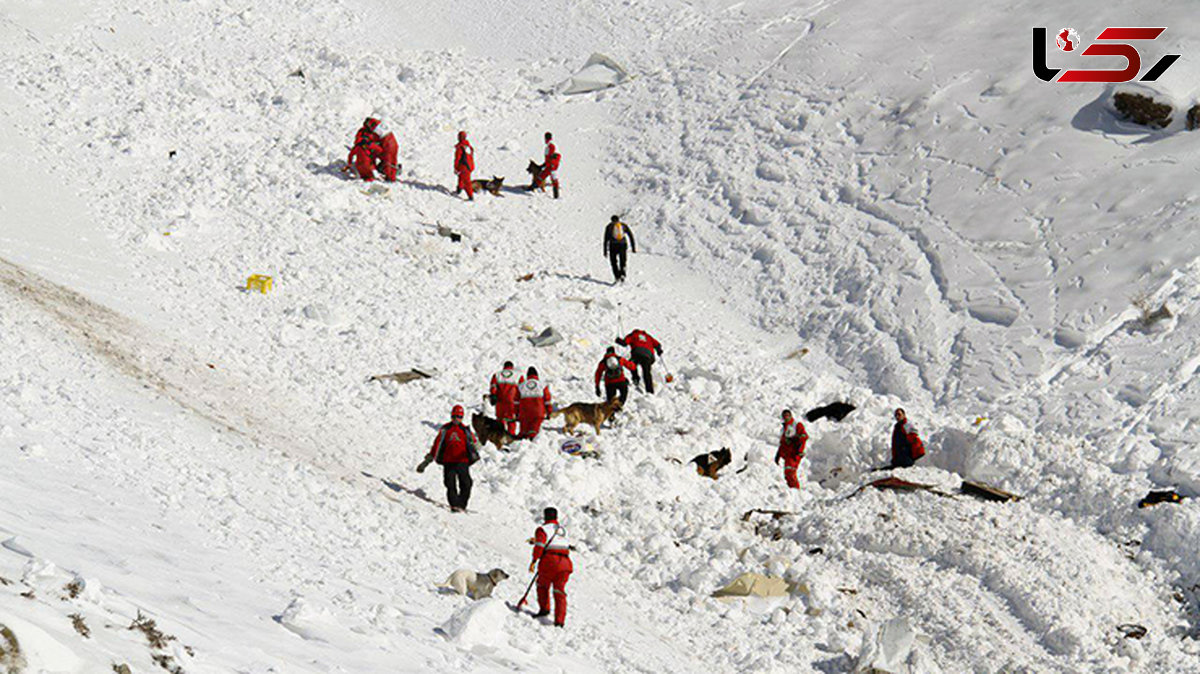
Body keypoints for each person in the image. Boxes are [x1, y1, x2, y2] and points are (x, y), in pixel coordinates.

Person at [417, 405, 480, 512]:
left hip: (462, 461)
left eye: (459, 416)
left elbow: (474, 443)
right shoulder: (446, 429)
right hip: (448, 461)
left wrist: (475, 450)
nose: (456, 419)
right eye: (455, 416)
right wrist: (428, 460)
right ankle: (454, 505)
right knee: (450, 483)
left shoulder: (465, 430)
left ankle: (462, 504)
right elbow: (437, 444)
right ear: (451, 416)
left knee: (466, 483)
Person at [529, 506, 572, 627]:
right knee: (559, 592)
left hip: (550, 562)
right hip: (565, 563)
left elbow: (539, 547)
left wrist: (534, 560)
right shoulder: (563, 530)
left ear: (545, 516)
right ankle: (560, 621)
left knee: (542, 586)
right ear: (556, 517)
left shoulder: (542, 529)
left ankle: (544, 609)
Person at [345, 117, 399, 182]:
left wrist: (349, 165)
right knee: (388, 159)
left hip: (363, 168)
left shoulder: (360, 142)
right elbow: (379, 151)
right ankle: (387, 174)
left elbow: (351, 155)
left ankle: (382, 170)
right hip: (370, 165)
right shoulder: (370, 142)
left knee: (385, 159)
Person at [616, 328, 662, 393]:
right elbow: (657, 344)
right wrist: (659, 350)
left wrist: (618, 340)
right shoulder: (648, 336)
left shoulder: (633, 335)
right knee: (647, 373)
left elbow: (625, 343)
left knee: (631, 364)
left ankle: (635, 379)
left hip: (637, 353)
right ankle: (650, 391)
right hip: (648, 356)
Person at [775, 409, 808, 489]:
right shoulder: (784, 428)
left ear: (791, 415)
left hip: (795, 453)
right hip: (787, 454)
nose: (786, 417)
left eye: (787, 415)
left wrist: (796, 441)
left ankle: (796, 490)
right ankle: (792, 490)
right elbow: (782, 443)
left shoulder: (796, 425)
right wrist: (778, 454)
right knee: (787, 473)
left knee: (790, 472)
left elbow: (804, 436)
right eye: (784, 416)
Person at [517, 367, 552, 439]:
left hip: (524, 412)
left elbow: (516, 401)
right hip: (538, 412)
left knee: (523, 432)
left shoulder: (521, 386)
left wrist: (516, 412)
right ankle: (532, 441)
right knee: (534, 431)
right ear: (537, 375)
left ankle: (521, 443)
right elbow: (547, 400)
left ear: (527, 375)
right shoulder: (542, 385)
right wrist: (549, 412)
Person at [489, 361, 522, 435]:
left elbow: (493, 386)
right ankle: (511, 437)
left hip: (500, 402)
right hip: (512, 403)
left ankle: (500, 436)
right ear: (512, 367)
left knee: (500, 420)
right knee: (511, 421)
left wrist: (493, 394)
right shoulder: (518, 376)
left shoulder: (497, 375)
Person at [603, 215, 636, 283]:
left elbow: (606, 239)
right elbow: (630, 235)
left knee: (613, 262)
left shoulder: (609, 227)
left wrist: (605, 251)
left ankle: (617, 277)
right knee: (623, 261)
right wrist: (633, 247)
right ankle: (622, 275)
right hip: (622, 245)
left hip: (613, 246)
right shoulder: (623, 225)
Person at [538, 131, 561, 199]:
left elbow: (555, 156)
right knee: (542, 176)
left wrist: (552, 163)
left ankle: (556, 195)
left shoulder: (551, 145)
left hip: (552, 165)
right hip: (550, 165)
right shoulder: (549, 145)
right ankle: (533, 187)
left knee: (553, 178)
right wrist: (544, 164)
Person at [454, 131, 475, 200]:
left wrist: (456, 168)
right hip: (469, 166)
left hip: (463, 167)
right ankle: (459, 189)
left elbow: (457, 159)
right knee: (460, 177)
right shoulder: (468, 146)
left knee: (467, 182)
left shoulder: (460, 148)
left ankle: (470, 196)